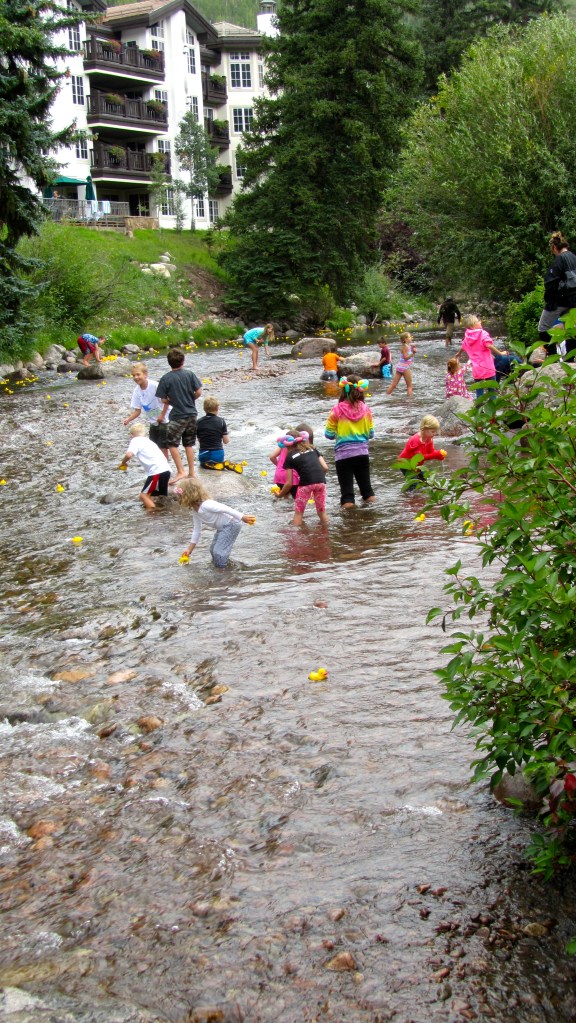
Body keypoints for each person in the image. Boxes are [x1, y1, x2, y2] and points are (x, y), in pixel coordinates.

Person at [122, 363, 185, 478]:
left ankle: (173, 471)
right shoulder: (137, 391)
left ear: (145, 374)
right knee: (156, 447)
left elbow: (167, 401)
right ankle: (163, 471)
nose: (136, 377)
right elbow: (137, 411)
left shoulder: (155, 386)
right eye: (133, 375)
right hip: (154, 421)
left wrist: (162, 415)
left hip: (166, 419)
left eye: (138, 374)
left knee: (165, 446)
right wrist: (128, 419)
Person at [177, 478, 256, 568]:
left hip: (232, 524)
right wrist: (189, 550)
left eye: (180, 496)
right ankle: (221, 565)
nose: (178, 498)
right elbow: (196, 531)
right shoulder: (196, 512)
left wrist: (242, 517)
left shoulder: (207, 504)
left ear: (188, 495)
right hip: (223, 527)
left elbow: (226, 508)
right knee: (213, 550)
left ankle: (223, 571)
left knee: (218, 552)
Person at [324, 375, 375, 508]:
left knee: (347, 495)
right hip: (362, 453)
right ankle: (372, 514)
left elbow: (328, 435)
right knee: (367, 491)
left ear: (344, 390)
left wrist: (340, 432)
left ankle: (349, 519)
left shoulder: (337, 410)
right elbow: (371, 434)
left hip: (343, 456)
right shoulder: (366, 409)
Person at [155, 348, 202, 481]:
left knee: (171, 444)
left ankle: (181, 471)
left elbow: (163, 399)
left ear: (169, 362)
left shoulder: (165, 378)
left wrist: (172, 401)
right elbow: (199, 391)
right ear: (183, 361)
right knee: (189, 444)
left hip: (177, 415)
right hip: (192, 414)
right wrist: (191, 399)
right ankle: (192, 472)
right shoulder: (190, 374)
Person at [277, 431, 329, 526]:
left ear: (288, 445)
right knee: (321, 511)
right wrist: (317, 481)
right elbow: (325, 467)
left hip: (306, 484)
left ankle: (297, 534)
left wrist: (280, 495)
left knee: (299, 513)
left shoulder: (290, 456)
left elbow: (289, 483)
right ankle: (326, 531)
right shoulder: (312, 448)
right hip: (321, 482)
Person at [538, 231, 576, 356]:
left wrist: (549, 300)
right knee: (570, 329)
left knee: (543, 328)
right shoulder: (574, 257)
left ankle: (553, 356)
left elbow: (551, 283)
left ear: (554, 247)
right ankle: (570, 358)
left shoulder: (559, 260)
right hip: (574, 301)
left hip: (559, 301)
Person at [119, 422, 171, 511]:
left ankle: (154, 514)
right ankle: (157, 515)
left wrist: (123, 463)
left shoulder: (135, 440)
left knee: (143, 496)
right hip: (166, 470)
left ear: (131, 435)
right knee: (150, 496)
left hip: (157, 471)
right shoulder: (149, 442)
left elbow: (129, 455)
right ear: (145, 434)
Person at [454, 315, 502, 399]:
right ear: (473, 325)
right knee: (492, 392)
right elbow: (488, 345)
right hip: (488, 368)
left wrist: (458, 353)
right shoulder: (482, 333)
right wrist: (500, 353)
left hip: (477, 370)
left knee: (479, 394)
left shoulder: (467, 336)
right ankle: (493, 406)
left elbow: (463, 346)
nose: (480, 322)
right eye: (478, 321)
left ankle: (479, 407)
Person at [397, 415, 446, 491]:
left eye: (435, 431)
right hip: (405, 464)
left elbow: (431, 452)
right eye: (433, 431)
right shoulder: (416, 440)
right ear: (424, 429)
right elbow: (419, 457)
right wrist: (435, 455)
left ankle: (419, 495)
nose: (434, 434)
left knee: (425, 479)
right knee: (413, 484)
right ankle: (408, 495)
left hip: (416, 465)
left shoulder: (429, 438)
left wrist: (439, 455)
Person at [196, 396, 230, 469]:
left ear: (204, 409)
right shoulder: (221, 421)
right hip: (217, 456)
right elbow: (226, 441)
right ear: (217, 408)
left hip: (203, 455)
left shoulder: (198, 422)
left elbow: (199, 440)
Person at [269, 427, 301, 499]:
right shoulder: (298, 449)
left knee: (284, 498)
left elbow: (272, 457)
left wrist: (279, 466)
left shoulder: (282, 446)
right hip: (293, 477)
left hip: (280, 475)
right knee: (295, 500)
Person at [386, 332, 416, 397]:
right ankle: (410, 400)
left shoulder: (406, 346)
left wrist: (412, 349)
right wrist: (413, 353)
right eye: (409, 337)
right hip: (405, 367)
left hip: (400, 366)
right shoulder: (405, 347)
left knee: (394, 384)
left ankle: (386, 396)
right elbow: (405, 357)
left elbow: (407, 354)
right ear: (405, 339)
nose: (411, 338)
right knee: (409, 386)